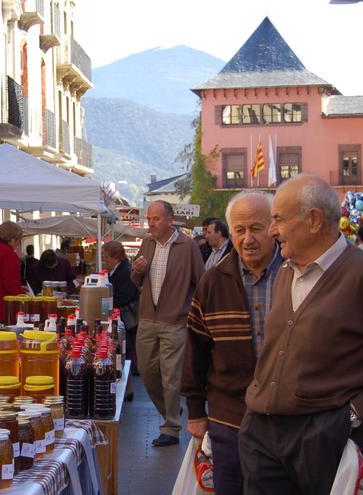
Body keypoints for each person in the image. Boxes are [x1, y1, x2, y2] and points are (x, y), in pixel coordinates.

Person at [240, 174, 363, 493]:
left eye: (279, 220)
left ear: (312, 220)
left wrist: (351, 416)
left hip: (324, 438)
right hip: (262, 434)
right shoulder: (286, 271)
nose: (272, 230)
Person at [182, 192, 282, 495]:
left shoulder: (298, 274)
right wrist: (196, 412)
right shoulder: (213, 281)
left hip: (289, 422)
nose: (248, 238)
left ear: (274, 228)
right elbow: (196, 351)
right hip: (229, 420)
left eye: (256, 228)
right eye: (240, 230)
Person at [131, 200, 204, 447]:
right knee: (148, 372)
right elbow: (136, 281)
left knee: (170, 377)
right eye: (149, 219)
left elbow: (201, 282)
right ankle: (170, 412)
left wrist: (190, 312)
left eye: (156, 219)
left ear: (170, 220)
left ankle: (171, 428)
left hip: (175, 321)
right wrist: (137, 269)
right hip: (147, 319)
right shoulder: (147, 243)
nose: (151, 224)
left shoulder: (188, 245)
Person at [102, 241, 140, 391]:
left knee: (127, 351)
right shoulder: (120, 269)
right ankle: (128, 387)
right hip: (124, 316)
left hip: (127, 317)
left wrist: (106, 301)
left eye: (106, 257)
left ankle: (128, 388)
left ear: (115, 257)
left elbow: (125, 295)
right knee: (126, 351)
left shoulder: (124, 271)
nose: (105, 260)